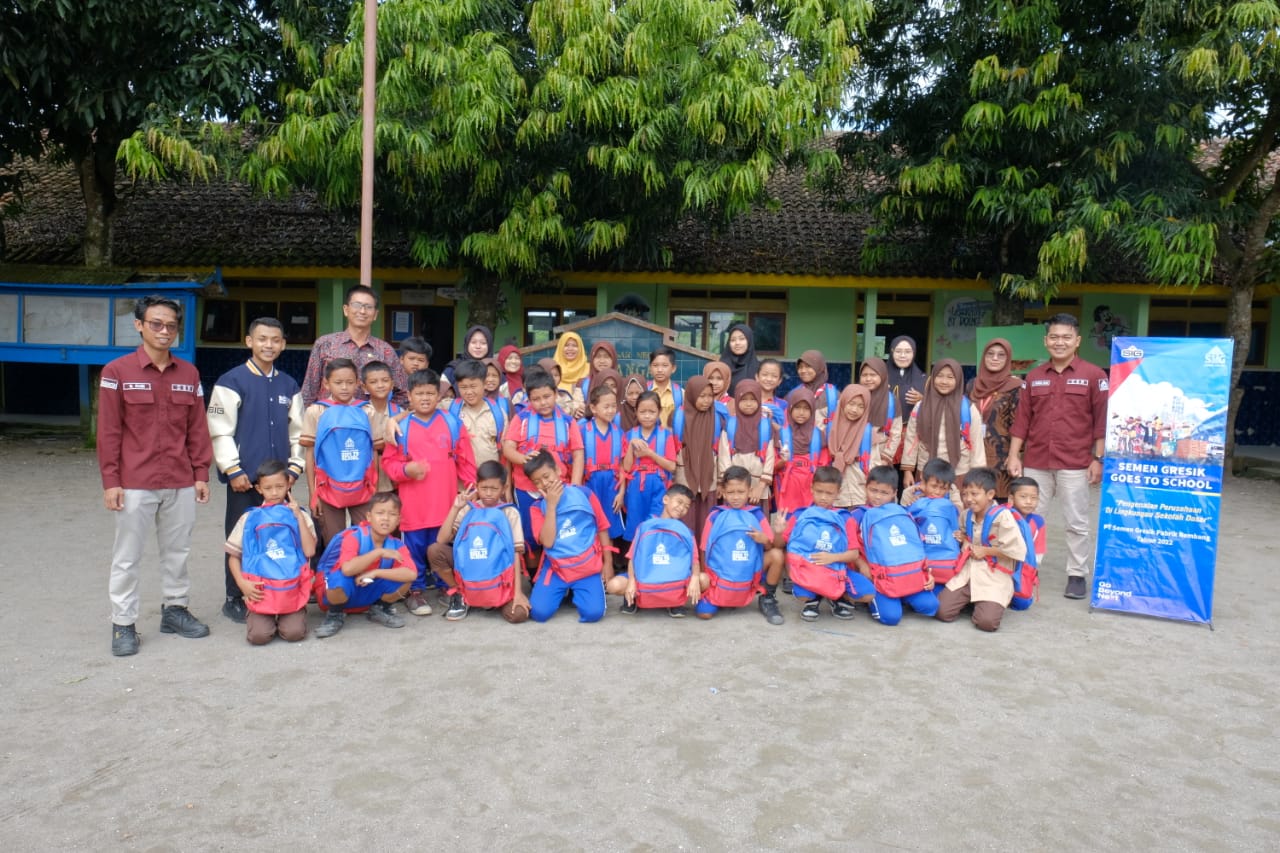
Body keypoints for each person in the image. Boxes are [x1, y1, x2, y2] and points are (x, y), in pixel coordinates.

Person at [99, 294, 213, 656]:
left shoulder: (189, 374)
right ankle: (123, 624)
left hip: (180, 479)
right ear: (139, 325)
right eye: (156, 324)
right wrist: (111, 481)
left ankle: (175, 609)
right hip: (135, 482)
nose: (164, 331)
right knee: (127, 556)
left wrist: (200, 472)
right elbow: (109, 432)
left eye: (171, 325)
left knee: (177, 552)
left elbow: (197, 428)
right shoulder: (117, 372)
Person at [206, 316, 305, 624]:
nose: (269, 345)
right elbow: (219, 430)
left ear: (283, 344)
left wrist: (295, 467)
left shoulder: (289, 384)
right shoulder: (231, 381)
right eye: (262, 339)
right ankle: (234, 597)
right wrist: (232, 469)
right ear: (249, 341)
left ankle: (277, 591)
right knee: (240, 537)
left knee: (278, 536)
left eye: (275, 340)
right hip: (245, 480)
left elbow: (299, 432)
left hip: (279, 482)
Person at [1007, 314, 1108, 600]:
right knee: (1030, 517)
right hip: (1036, 461)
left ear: (1077, 341)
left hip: (1076, 462)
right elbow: (1022, 420)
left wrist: (1098, 458)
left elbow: (1102, 421)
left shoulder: (1094, 376)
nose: (1059, 342)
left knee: (1076, 521)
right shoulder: (1034, 377)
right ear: (1046, 340)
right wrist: (1014, 455)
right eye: (1054, 337)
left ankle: (1077, 574)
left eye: (1066, 337)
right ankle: (1028, 567)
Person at [381, 368, 477, 617]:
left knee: (442, 546)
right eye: (419, 393)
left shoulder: (452, 423)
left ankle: (447, 586)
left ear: (438, 396)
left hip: (445, 504)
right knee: (413, 549)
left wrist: (472, 489)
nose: (425, 398)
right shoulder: (401, 427)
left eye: (430, 393)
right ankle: (415, 590)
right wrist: (407, 470)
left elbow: (465, 460)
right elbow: (388, 464)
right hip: (413, 506)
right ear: (409, 396)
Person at [223, 460, 317, 644]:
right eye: (268, 488)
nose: (274, 493)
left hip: (291, 589)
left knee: (294, 633)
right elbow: (233, 556)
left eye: (279, 486)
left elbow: (309, 550)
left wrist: (299, 517)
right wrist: (242, 584)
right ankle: (262, 617)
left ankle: (292, 614)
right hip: (260, 591)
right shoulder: (249, 518)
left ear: (288, 485)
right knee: (259, 636)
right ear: (259, 489)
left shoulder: (299, 515)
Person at [427, 461, 528, 621]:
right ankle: (460, 593)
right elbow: (441, 539)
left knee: (518, 614)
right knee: (435, 550)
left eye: (494, 489)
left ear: (504, 488)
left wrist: (518, 593)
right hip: (469, 565)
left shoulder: (509, 512)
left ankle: (493, 595)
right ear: (476, 486)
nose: (488, 493)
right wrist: (455, 508)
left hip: (498, 575)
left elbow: (516, 553)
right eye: (484, 488)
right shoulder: (468, 508)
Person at [525, 451, 616, 623]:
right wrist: (551, 506)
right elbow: (548, 542)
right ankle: (564, 589)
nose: (544, 483)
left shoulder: (584, 494)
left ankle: (576, 590)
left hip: (586, 566)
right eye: (537, 481)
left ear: (558, 471)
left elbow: (602, 527)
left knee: (594, 613)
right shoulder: (537, 508)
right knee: (538, 613)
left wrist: (608, 563)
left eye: (546, 476)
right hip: (556, 568)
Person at [502, 369, 585, 553]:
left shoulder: (568, 421)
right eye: (536, 399)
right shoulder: (521, 419)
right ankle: (533, 570)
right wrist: (522, 459)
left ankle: (555, 565)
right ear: (528, 399)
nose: (543, 402)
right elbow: (508, 449)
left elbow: (578, 454)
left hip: (558, 487)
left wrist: (575, 486)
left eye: (547, 397)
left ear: (556, 393)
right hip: (526, 488)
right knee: (529, 534)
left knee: (559, 530)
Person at [935, 467, 1028, 632]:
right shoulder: (966, 515)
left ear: (990, 494)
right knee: (941, 611)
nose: (968, 499)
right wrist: (963, 539)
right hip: (968, 572)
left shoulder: (1003, 517)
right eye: (965, 494)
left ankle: (985, 603)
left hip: (994, 576)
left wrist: (986, 551)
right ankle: (977, 601)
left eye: (974, 494)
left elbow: (1017, 550)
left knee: (987, 623)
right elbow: (965, 536)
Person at [314, 492, 417, 638]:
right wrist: (378, 552)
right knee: (338, 578)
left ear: (398, 520)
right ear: (369, 517)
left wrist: (375, 573)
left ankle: (380, 609)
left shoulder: (397, 545)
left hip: (368, 593)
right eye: (380, 513)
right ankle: (335, 615)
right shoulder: (354, 537)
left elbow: (411, 573)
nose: (386, 518)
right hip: (343, 592)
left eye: (392, 514)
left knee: (405, 579)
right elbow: (348, 569)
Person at [302, 358, 381, 545]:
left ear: (358, 383)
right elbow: (309, 455)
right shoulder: (316, 411)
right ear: (326, 383)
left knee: (366, 540)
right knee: (334, 542)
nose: (344, 387)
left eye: (349, 382)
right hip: (327, 489)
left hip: (362, 487)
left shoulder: (368, 411)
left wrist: (374, 488)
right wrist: (313, 494)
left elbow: (374, 453)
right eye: (338, 382)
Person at [848, 465, 940, 626]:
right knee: (891, 617)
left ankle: (901, 593)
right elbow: (849, 547)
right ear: (865, 488)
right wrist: (862, 565)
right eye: (873, 490)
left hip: (905, 573)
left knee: (931, 606)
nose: (877, 497)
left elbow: (916, 546)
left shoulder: (902, 513)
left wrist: (927, 572)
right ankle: (883, 597)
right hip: (878, 576)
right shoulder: (857, 515)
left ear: (894, 493)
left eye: (884, 493)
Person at [697, 466, 786, 624]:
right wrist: (708, 582)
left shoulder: (756, 515)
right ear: (723, 492)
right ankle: (718, 594)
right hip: (721, 576)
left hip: (749, 571)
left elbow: (770, 547)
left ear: (749, 491)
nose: (736, 497)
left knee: (777, 555)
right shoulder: (715, 516)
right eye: (731, 492)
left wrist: (764, 539)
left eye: (741, 492)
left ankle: (768, 598)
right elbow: (704, 549)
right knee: (704, 614)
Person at [301, 284, 408, 406]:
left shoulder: (385, 350)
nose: (362, 311)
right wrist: (312, 414)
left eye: (368, 307)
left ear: (375, 314)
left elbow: (403, 393)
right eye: (357, 305)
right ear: (346, 310)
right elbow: (309, 389)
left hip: (368, 417)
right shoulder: (325, 344)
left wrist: (384, 413)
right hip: (329, 415)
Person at [609, 484, 702, 617]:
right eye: (679, 502)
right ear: (665, 499)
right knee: (614, 585)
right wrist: (631, 581)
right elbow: (632, 557)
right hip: (646, 578)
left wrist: (695, 577)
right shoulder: (645, 526)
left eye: (686, 506)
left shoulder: (685, 531)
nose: (682, 508)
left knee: (703, 580)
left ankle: (674, 602)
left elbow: (694, 559)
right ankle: (633, 598)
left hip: (673, 579)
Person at [783, 466, 860, 621]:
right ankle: (814, 600)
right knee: (802, 593)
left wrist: (832, 558)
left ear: (838, 493)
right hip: (808, 569)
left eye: (829, 493)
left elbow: (854, 554)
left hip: (835, 569)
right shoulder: (800, 514)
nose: (823, 497)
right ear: (811, 488)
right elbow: (783, 544)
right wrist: (779, 531)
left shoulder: (844, 517)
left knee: (867, 593)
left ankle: (833, 597)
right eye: (819, 491)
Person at [901, 358, 986, 494]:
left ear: (958, 379)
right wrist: (908, 470)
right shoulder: (921, 407)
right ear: (933, 377)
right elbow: (911, 439)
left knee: (956, 505)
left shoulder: (968, 409)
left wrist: (978, 475)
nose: (944, 381)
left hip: (959, 472)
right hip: (926, 471)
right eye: (940, 376)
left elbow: (976, 443)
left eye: (950, 377)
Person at [965, 338, 1024, 499]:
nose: (995, 358)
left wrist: (1014, 455)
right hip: (973, 454)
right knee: (974, 500)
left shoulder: (1016, 387)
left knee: (999, 502)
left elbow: (1019, 424)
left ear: (1008, 359)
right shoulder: (972, 385)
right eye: (990, 354)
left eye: (1001, 355)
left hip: (1002, 457)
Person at [621, 391, 679, 542]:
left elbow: (672, 466)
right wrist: (631, 446)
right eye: (643, 412)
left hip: (659, 485)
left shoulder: (666, 435)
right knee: (636, 525)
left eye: (652, 412)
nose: (647, 416)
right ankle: (635, 555)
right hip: (636, 486)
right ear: (636, 412)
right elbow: (626, 468)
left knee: (657, 523)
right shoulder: (629, 435)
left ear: (659, 412)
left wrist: (650, 454)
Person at [903, 458, 965, 593]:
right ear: (923, 480)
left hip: (945, 556)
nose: (937, 492)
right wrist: (917, 502)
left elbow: (959, 512)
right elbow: (905, 521)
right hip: (921, 554)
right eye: (934, 486)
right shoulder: (910, 493)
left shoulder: (951, 492)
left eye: (943, 488)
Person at [671, 376, 721, 541]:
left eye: (710, 396)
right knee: (685, 516)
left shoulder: (716, 417)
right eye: (702, 396)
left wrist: (721, 480)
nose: (707, 400)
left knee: (706, 519)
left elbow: (721, 449)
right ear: (692, 395)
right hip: (684, 475)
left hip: (708, 476)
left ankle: (704, 553)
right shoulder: (678, 416)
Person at [580, 384, 627, 545]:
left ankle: (609, 559)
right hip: (590, 484)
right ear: (593, 408)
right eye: (606, 407)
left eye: (614, 406)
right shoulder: (583, 431)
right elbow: (577, 463)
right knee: (590, 524)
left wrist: (621, 493)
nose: (611, 410)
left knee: (610, 527)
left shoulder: (618, 433)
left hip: (612, 485)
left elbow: (622, 466)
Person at [775, 386, 830, 521]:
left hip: (811, 485)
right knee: (787, 522)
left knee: (810, 519)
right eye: (797, 408)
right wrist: (783, 461)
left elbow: (824, 463)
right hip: (788, 484)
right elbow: (772, 464)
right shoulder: (782, 434)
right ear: (790, 409)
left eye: (806, 409)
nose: (801, 413)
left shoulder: (818, 435)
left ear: (812, 411)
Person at [718, 379, 775, 506]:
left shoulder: (765, 426)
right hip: (734, 490)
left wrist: (761, 486)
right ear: (737, 400)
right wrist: (729, 485)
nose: (748, 404)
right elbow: (724, 456)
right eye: (744, 399)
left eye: (753, 399)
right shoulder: (731, 425)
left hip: (758, 487)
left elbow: (770, 457)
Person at [449, 358, 507, 471]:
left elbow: (505, 451)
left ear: (484, 384)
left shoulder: (498, 413)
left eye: (473, 386)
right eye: (463, 387)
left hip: (490, 477)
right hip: (462, 479)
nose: (469, 392)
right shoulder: (450, 409)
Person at [828, 384, 880, 508]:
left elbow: (875, 462)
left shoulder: (868, 433)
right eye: (851, 404)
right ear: (843, 402)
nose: (854, 410)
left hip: (860, 493)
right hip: (835, 494)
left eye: (861, 406)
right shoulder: (830, 430)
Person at [360, 361, 399, 493]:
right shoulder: (360, 413)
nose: (380, 385)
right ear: (364, 387)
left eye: (385, 380)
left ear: (392, 384)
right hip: (367, 473)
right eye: (373, 382)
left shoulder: (399, 412)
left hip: (393, 474)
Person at [1007, 476, 1045, 610]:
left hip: (1023, 567)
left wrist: (1030, 574)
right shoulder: (1004, 516)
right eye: (1023, 497)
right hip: (1002, 563)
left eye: (1034, 498)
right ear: (1011, 498)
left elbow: (1038, 551)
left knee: (1022, 604)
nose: (1029, 502)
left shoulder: (1038, 521)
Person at [859, 357, 903, 462]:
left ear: (882, 375)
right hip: (855, 455)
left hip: (880, 456)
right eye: (864, 375)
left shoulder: (891, 401)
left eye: (873, 375)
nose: (868, 379)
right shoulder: (855, 397)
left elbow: (895, 433)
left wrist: (886, 458)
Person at [887, 335, 926, 430]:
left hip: (913, 430)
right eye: (898, 351)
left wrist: (923, 400)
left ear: (914, 353)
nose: (903, 355)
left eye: (908, 352)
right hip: (883, 430)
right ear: (892, 352)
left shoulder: (924, 379)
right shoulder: (879, 376)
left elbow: (936, 404)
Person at [443, 325, 493, 391]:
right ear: (467, 344)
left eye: (483, 343)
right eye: (473, 342)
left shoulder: (495, 369)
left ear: (489, 345)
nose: (478, 346)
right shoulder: (452, 369)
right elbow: (441, 393)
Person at [795, 350, 839, 424]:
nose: (803, 370)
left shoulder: (834, 395)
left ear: (819, 367)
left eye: (808, 366)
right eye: (800, 367)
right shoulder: (794, 394)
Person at [553, 332, 591, 417]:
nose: (570, 349)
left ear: (580, 348)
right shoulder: (552, 369)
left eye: (574, 345)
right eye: (566, 345)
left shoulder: (589, 370)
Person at [719, 323, 759, 396]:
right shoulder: (721, 366)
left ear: (749, 341)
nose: (737, 343)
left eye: (742, 339)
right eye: (733, 340)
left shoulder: (758, 369)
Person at [647, 345, 682, 428]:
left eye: (665, 365)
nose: (659, 370)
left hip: (673, 436)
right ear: (650, 368)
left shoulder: (681, 394)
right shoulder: (644, 390)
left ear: (673, 368)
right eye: (655, 365)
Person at [755, 358, 788, 432]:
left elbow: (785, 431)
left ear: (779, 381)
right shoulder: (747, 401)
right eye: (765, 375)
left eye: (774, 376)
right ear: (757, 377)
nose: (769, 379)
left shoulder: (783, 405)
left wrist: (770, 421)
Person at [497, 343, 527, 414]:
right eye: (509, 358)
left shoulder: (525, 378)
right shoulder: (498, 380)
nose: (514, 361)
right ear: (502, 359)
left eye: (517, 358)